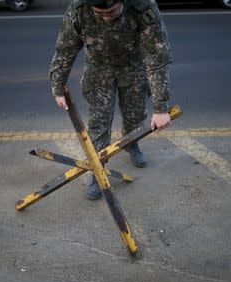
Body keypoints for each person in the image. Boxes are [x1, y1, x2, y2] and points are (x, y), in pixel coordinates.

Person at [49, 0, 173, 200]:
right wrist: (58, 86)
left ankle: (130, 143)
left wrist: (160, 107)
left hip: (133, 67)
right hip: (98, 69)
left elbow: (157, 57)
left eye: (112, 12)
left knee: (136, 115)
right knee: (99, 122)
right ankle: (98, 170)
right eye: (100, 14)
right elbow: (65, 49)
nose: (106, 18)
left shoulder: (143, 8)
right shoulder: (79, 9)